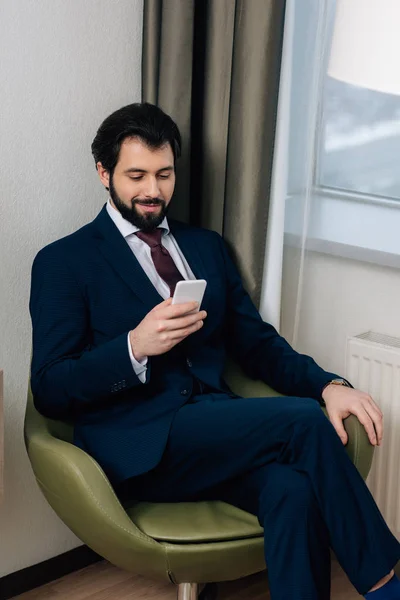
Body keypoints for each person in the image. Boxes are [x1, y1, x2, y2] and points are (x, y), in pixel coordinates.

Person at [29, 103, 400, 600]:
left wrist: (327, 384)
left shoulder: (204, 246)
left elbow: (257, 343)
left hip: (216, 429)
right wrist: (134, 348)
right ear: (103, 172)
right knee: (304, 423)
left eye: (164, 174)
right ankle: (386, 585)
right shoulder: (63, 262)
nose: (152, 190)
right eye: (136, 175)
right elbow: (51, 388)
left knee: (290, 490)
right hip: (141, 444)